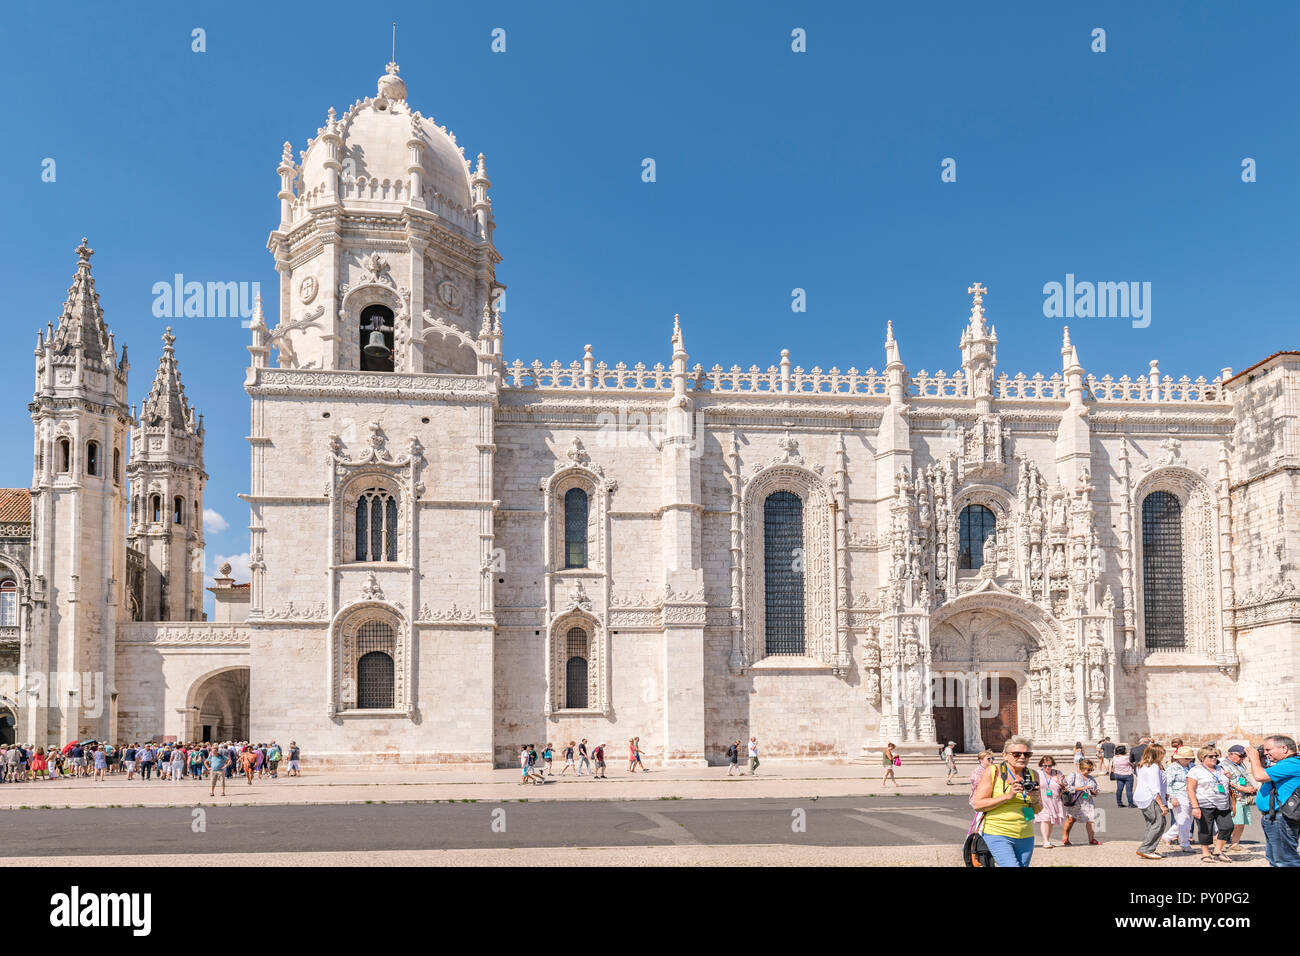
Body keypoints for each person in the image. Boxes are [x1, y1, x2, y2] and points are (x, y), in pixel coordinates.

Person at [970, 736, 1042, 867]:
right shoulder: (994, 771)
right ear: (1005, 755)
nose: (1022, 757)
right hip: (997, 832)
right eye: (1016, 754)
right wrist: (1007, 796)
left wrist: (1035, 798)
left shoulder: (1033, 775)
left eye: (1027, 754)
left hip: (1025, 833)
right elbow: (978, 805)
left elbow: (1037, 810)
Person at [1244, 734, 1300, 867]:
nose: (1265, 753)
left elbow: (1259, 776)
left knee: (1285, 861)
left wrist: (1254, 757)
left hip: (1282, 818)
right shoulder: (1284, 764)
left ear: (1284, 748)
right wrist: (1261, 760)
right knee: (1275, 860)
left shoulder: (1292, 763)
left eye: (1268, 750)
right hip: (1276, 818)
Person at [1186, 746, 1235, 862]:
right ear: (1202, 758)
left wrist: (1228, 777)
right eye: (1211, 756)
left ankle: (1218, 850)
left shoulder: (1221, 768)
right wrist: (1195, 807)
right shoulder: (1195, 770)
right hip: (1204, 804)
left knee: (1228, 826)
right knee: (1205, 829)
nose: (1214, 758)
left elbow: (1226, 784)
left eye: (1215, 756)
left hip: (1222, 804)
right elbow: (1190, 789)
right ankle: (1205, 853)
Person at [1133, 743, 1170, 859]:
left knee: (1152, 823)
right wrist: (1162, 805)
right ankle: (1146, 849)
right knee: (1159, 823)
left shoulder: (1141, 765)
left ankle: (1149, 849)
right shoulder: (1153, 767)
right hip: (1151, 798)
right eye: (1162, 754)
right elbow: (1154, 787)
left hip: (1142, 796)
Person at [1162, 746, 1196, 851]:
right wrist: (1172, 797)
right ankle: (1185, 844)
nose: (1188, 760)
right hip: (1179, 796)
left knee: (1188, 820)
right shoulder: (1172, 768)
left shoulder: (1193, 766)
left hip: (1191, 796)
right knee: (1183, 820)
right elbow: (1167, 783)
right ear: (1179, 758)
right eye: (1186, 758)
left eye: (1189, 758)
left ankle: (1167, 836)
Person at [1062, 759, 1102, 846]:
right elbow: (1066, 787)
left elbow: (1097, 789)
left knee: (1091, 820)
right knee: (1071, 820)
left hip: (1088, 802)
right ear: (1081, 768)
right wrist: (1081, 788)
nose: (1088, 772)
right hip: (1075, 801)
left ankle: (1092, 839)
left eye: (1090, 770)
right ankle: (1065, 837)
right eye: (1087, 769)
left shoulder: (1091, 778)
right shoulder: (1073, 776)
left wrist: (1095, 792)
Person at [1224, 745, 1257, 850]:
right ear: (1231, 754)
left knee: (1241, 822)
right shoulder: (1224, 766)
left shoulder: (1240, 765)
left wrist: (1250, 788)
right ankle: (1219, 841)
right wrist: (1243, 789)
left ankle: (1235, 843)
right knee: (1233, 822)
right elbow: (1226, 782)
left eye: (1243, 756)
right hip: (1234, 798)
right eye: (1240, 756)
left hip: (1243, 797)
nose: (1242, 758)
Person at [1035, 755, 1066, 848]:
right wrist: (1036, 787)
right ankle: (1045, 840)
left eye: (1050, 765)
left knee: (1051, 821)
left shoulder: (1057, 773)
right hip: (1042, 800)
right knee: (1045, 819)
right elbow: (1033, 785)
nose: (1047, 768)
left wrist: (1061, 783)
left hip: (1055, 800)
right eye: (1045, 766)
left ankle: (1047, 840)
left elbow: (1065, 786)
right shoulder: (1038, 773)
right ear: (1041, 765)